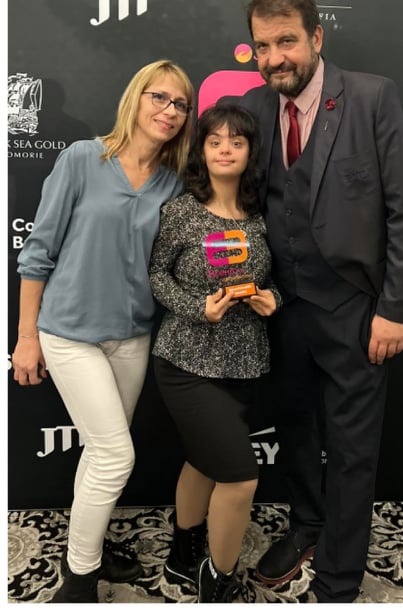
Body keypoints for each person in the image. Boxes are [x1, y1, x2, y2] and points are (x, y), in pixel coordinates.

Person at [238, 0, 403, 603]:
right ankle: (306, 525)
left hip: (355, 308)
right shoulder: (252, 107)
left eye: (286, 41)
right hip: (280, 308)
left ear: (316, 37)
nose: (274, 58)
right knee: (296, 430)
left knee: (351, 450)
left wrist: (395, 310)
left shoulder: (372, 97)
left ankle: (339, 578)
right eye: (262, 46)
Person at [11, 60, 194, 603]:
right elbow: (37, 251)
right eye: (160, 97)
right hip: (69, 334)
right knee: (115, 456)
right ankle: (80, 581)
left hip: (132, 337)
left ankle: (84, 549)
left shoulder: (174, 183)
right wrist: (26, 338)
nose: (170, 111)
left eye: (181, 104)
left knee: (100, 452)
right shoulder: (82, 159)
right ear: (136, 97)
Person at [148, 104, 280, 602]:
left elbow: (274, 282)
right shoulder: (181, 212)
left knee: (204, 462)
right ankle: (218, 581)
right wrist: (197, 308)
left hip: (243, 363)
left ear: (249, 153)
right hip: (186, 362)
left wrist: (272, 300)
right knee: (241, 479)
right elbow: (157, 275)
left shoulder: (260, 217)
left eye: (237, 142)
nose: (226, 149)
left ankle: (183, 554)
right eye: (215, 141)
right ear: (201, 151)